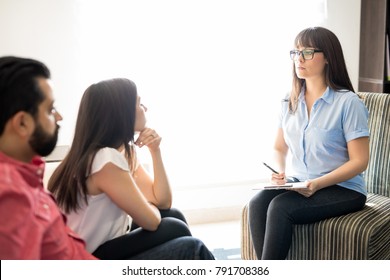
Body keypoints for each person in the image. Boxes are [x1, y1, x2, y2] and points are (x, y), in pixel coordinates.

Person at [48, 78, 214, 260]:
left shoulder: (104, 154)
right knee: (183, 236)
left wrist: (155, 151)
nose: (145, 108)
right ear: (122, 113)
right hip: (87, 259)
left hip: (100, 248)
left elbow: (163, 201)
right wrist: (146, 207)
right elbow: (151, 221)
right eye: (139, 103)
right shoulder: (105, 160)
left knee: (173, 216)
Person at [248, 27, 370, 260]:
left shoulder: (348, 103)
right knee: (257, 203)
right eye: (295, 52)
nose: (299, 59)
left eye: (308, 52)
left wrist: (317, 184)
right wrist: (280, 171)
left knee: (280, 207)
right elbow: (279, 147)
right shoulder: (289, 99)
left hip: (344, 189)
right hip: (301, 182)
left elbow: (360, 161)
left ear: (328, 58)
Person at [0, 56, 96, 259]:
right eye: (50, 109)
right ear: (23, 123)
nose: (59, 117)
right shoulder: (9, 194)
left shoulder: (26, 175)